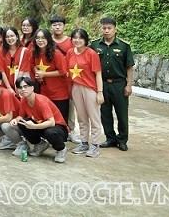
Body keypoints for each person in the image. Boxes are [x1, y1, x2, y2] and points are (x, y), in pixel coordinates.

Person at [92, 17, 134, 152]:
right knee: (105, 113)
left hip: (119, 84)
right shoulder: (95, 45)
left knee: (122, 113)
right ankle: (110, 138)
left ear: (115, 29)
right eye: (104, 28)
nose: (106, 31)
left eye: (109, 28)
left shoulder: (123, 46)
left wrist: (129, 85)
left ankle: (122, 140)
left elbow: (129, 67)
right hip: (103, 84)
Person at [11, 75, 69, 163]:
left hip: (58, 128)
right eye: (20, 87)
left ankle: (61, 149)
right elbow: (21, 116)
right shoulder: (24, 100)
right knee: (22, 123)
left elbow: (52, 122)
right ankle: (40, 144)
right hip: (41, 125)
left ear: (32, 88)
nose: (23, 89)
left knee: (49, 132)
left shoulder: (41, 101)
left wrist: (34, 126)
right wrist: (15, 119)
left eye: (25, 86)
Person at [67, 28, 104, 158]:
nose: (77, 40)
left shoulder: (91, 54)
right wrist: (70, 89)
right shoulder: (70, 52)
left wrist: (100, 92)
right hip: (76, 87)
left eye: (80, 38)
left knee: (94, 118)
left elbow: (98, 74)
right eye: (75, 38)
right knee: (81, 118)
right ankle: (84, 143)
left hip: (90, 88)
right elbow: (68, 73)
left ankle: (95, 145)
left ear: (85, 40)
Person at [49, 14, 80, 144]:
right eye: (54, 25)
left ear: (64, 26)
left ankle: (71, 130)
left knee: (70, 106)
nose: (57, 27)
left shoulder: (70, 41)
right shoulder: (47, 40)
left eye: (59, 24)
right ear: (51, 27)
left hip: (68, 79)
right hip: (51, 80)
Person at [27, 28, 70, 122]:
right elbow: (32, 65)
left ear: (48, 39)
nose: (40, 40)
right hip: (44, 92)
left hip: (59, 93)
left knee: (60, 120)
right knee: (47, 118)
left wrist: (44, 74)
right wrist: (37, 72)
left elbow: (62, 71)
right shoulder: (34, 52)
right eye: (37, 38)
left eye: (43, 38)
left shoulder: (56, 54)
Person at [0, 27, 27, 93]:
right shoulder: (1, 51)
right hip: (4, 87)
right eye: (7, 37)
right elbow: (1, 70)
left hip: (20, 87)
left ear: (17, 37)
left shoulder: (24, 51)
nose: (10, 38)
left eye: (12, 36)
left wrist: (17, 86)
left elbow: (22, 70)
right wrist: (9, 88)